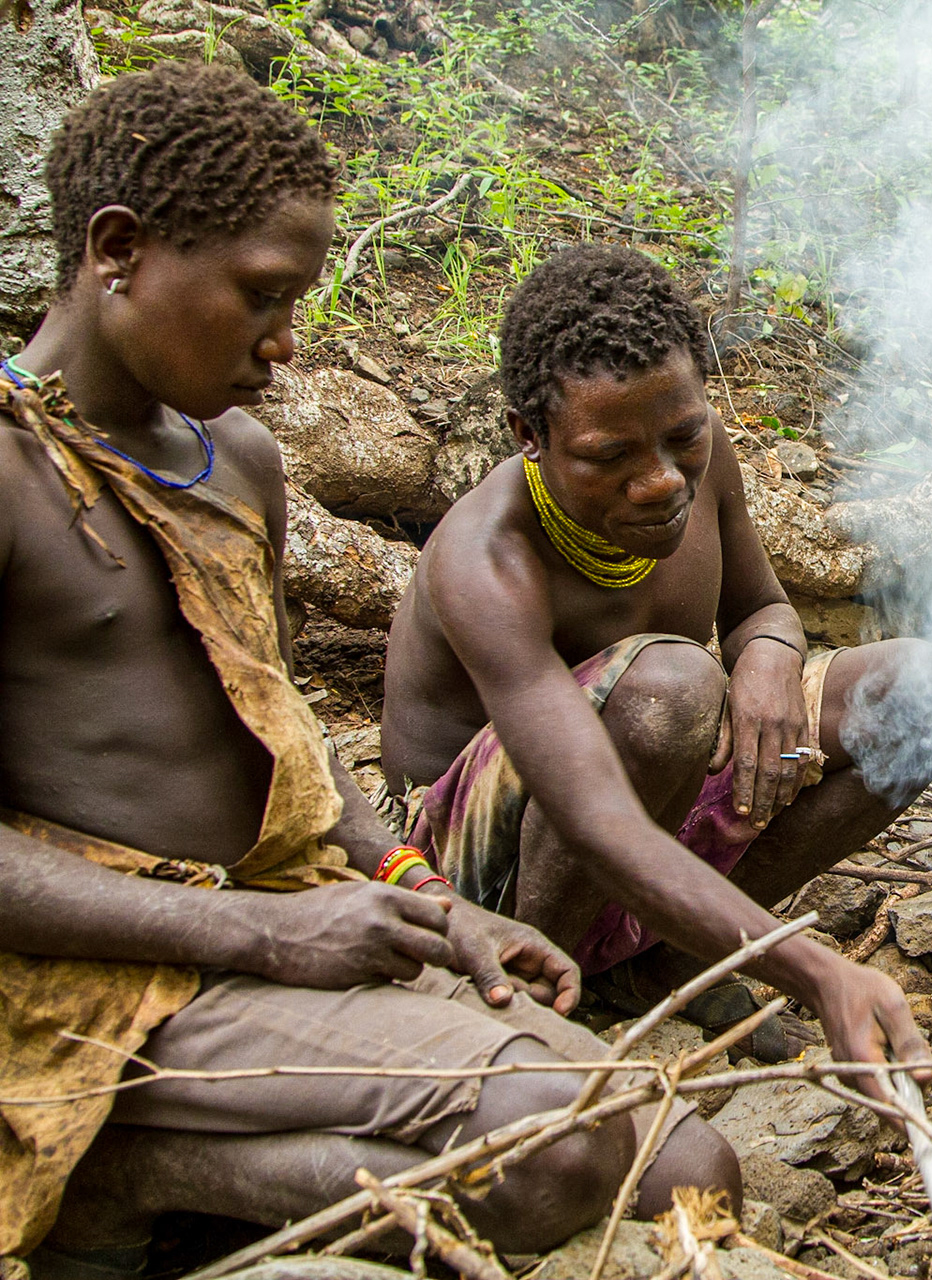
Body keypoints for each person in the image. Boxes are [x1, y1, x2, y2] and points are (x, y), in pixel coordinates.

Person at [0, 64, 736, 1279]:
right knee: (572, 1145)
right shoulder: (13, 478)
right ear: (118, 250)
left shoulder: (233, 460)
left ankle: (151, 1183)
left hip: (269, 930)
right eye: (261, 296)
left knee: (690, 1167)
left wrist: (425, 894)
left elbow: (275, 729)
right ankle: (116, 1168)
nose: (288, 344)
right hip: (96, 986)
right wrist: (256, 935)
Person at [380, 243, 932, 1078]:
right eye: (610, 456)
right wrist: (810, 968)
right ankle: (540, 992)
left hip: (648, 792)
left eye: (681, 436)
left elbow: (761, 609)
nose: (659, 482)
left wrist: (770, 658)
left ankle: (674, 962)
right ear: (529, 437)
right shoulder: (486, 561)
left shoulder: (703, 457)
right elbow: (592, 811)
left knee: (923, 693)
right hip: (480, 877)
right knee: (676, 687)